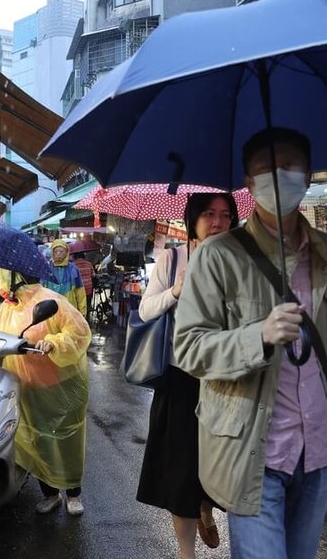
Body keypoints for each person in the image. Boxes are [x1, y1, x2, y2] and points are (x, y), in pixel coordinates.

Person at [174, 127, 327, 559]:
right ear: (249, 185)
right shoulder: (218, 257)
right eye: (265, 169)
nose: (278, 176)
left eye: (289, 166)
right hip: (251, 454)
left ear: (308, 176)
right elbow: (189, 348)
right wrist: (259, 336)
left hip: (317, 454)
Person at [137, 193, 239, 558]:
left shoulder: (239, 261)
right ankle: (186, 553)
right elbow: (146, 310)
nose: (218, 222)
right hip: (181, 382)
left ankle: (206, 509)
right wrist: (176, 291)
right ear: (192, 218)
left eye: (225, 215)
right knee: (181, 473)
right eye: (209, 214)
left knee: (219, 466)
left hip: (226, 382)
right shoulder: (173, 257)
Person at [0, 268, 90, 516]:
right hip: (29, 388)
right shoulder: (8, 309)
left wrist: (55, 342)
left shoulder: (48, 300)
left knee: (66, 441)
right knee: (39, 442)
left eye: (0, 276)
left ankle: (73, 493)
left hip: (60, 387)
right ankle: (50, 494)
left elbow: (79, 331)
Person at [42, 238, 87, 316]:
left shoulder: (73, 269)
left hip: (70, 310)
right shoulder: (46, 268)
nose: (58, 254)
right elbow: (41, 290)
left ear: (66, 252)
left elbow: (80, 291)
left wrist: (82, 311)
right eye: (56, 251)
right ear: (52, 253)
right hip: (51, 311)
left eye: (61, 251)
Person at [73, 251, 95, 318]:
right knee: (87, 305)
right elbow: (93, 275)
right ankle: (86, 319)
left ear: (75, 256)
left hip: (77, 289)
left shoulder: (73, 265)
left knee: (78, 305)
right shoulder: (88, 264)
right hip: (88, 288)